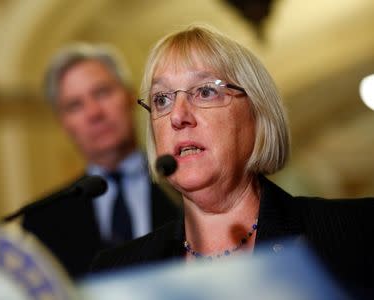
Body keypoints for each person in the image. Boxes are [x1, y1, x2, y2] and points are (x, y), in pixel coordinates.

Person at [90, 25, 374, 297]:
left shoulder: (357, 232)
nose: (177, 116)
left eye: (204, 91)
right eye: (162, 99)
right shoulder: (117, 272)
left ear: (257, 114)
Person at [21, 43, 179, 280]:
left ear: (129, 96)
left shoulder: (185, 185)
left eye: (102, 92)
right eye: (75, 105)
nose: (94, 113)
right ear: (63, 123)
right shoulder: (43, 219)